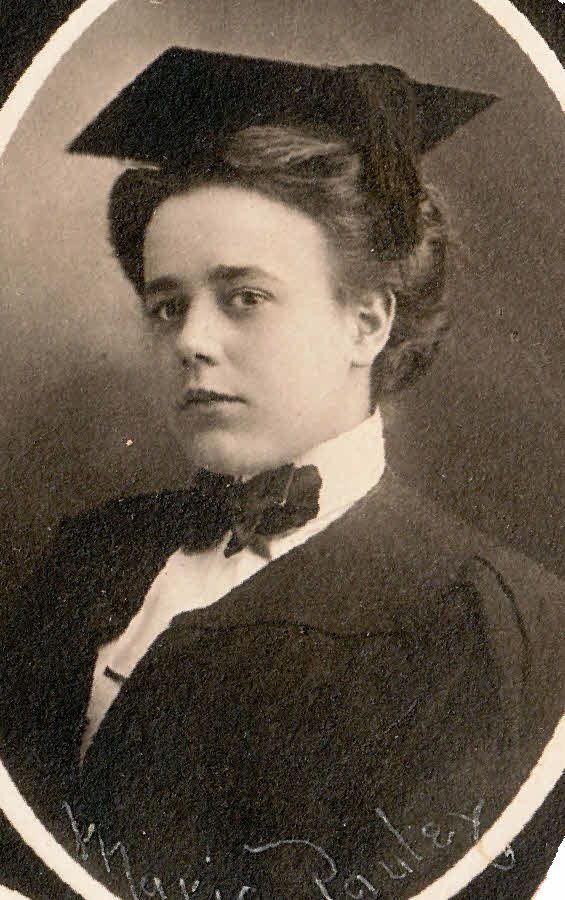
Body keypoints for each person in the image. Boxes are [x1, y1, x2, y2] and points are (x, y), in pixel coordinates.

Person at [0, 47, 563, 900]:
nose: (191, 340)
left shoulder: (483, 622)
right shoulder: (91, 554)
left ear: (366, 322)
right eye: (167, 305)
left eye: (245, 297)